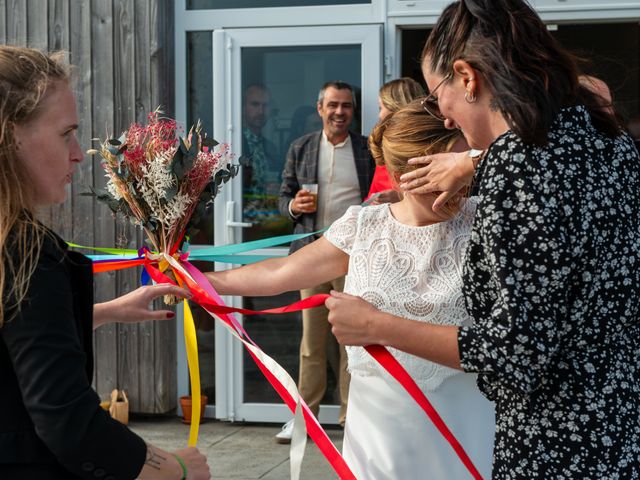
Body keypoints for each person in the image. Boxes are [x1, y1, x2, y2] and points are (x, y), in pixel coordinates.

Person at [326, 1, 640, 478]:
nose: (445, 120)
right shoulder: (612, 143)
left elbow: (514, 353)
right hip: (618, 426)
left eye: (437, 98)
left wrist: (375, 326)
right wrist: (476, 163)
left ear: (467, 77)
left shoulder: (516, 170)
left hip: (553, 444)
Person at [206, 100, 494, 478]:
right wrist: (198, 281)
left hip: (464, 424)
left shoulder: (489, 222)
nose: (455, 190)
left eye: (460, 175)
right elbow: (281, 272)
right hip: (379, 435)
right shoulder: (364, 226)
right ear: (399, 175)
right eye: (438, 179)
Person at [0, 46, 211, 480]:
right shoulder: (26, 252)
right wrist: (175, 469)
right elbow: (69, 424)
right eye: (67, 134)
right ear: (10, 134)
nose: (79, 154)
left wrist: (103, 312)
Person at [276, 80, 375, 443]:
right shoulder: (301, 147)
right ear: (320, 108)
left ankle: (353, 419)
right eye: (332, 105)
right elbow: (282, 193)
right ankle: (307, 419)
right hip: (313, 255)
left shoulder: (367, 150)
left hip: (354, 259)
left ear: (353, 110)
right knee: (311, 344)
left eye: (346, 106)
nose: (339, 112)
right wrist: (292, 206)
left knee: (353, 345)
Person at [365, 77, 425, 205]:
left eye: (380, 108)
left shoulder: (427, 146)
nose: (379, 115)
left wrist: (402, 197)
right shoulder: (384, 145)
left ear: (394, 105)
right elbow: (372, 196)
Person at [241, 84, 281, 237]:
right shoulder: (234, 143)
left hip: (267, 223)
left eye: (266, 106)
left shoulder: (270, 147)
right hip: (241, 224)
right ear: (243, 107)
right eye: (255, 104)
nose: (261, 111)